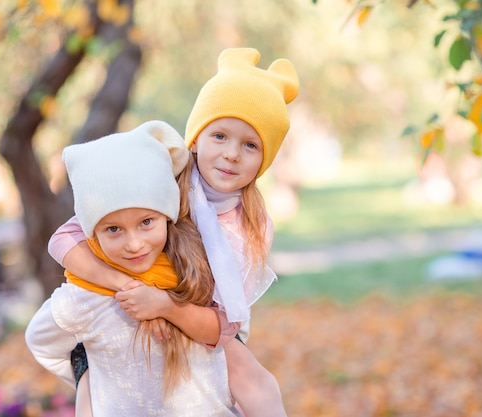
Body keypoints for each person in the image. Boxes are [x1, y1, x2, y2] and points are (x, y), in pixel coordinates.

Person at [49, 47, 299, 417]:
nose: (232, 154)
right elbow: (64, 239)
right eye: (219, 136)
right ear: (195, 137)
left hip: (198, 321)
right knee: (95, 387)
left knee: (255, 384)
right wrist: (128, 287)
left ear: (266, 158)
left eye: (250, 145)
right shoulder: (158, 176)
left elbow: (222, 327)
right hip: (122, 303)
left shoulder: (251, 225)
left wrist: (164, 306)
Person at [25, 120, 238, 416]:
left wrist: (167, 307)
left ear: (168, 215)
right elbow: (40, 340)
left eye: (146, 222)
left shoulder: (194, 265)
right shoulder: (83, 297)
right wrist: (88, 374)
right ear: (92, 234)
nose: (134, 244)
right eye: (114, 229)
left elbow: (227, 329)